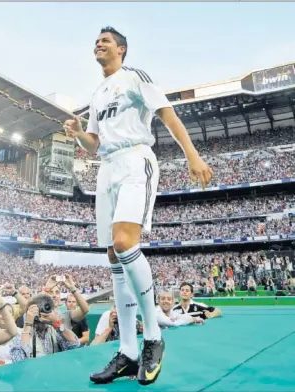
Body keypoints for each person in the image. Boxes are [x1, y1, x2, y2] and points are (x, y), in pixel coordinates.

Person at [64, 26, 213, 385]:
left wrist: (192, 155)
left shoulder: (135, 77)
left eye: (106, 41)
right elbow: (95, 145)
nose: (98, 44)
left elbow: (168, 115)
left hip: (135, 160)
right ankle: (128, 351)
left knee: (125, 243)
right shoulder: (98, 94)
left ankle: (154, 338)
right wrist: (78, 133)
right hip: (107, 167)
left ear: (122, 49)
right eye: (96, 41)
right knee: (114, 257)